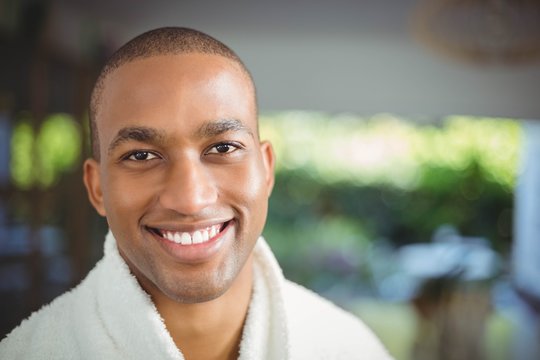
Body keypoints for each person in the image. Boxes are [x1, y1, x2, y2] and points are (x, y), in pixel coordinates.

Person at [0, 27, 392, 360]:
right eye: (141, 155)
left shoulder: (348, 347)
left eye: (222, 148)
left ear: (266, 169)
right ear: (97, 187)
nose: (190, 199)